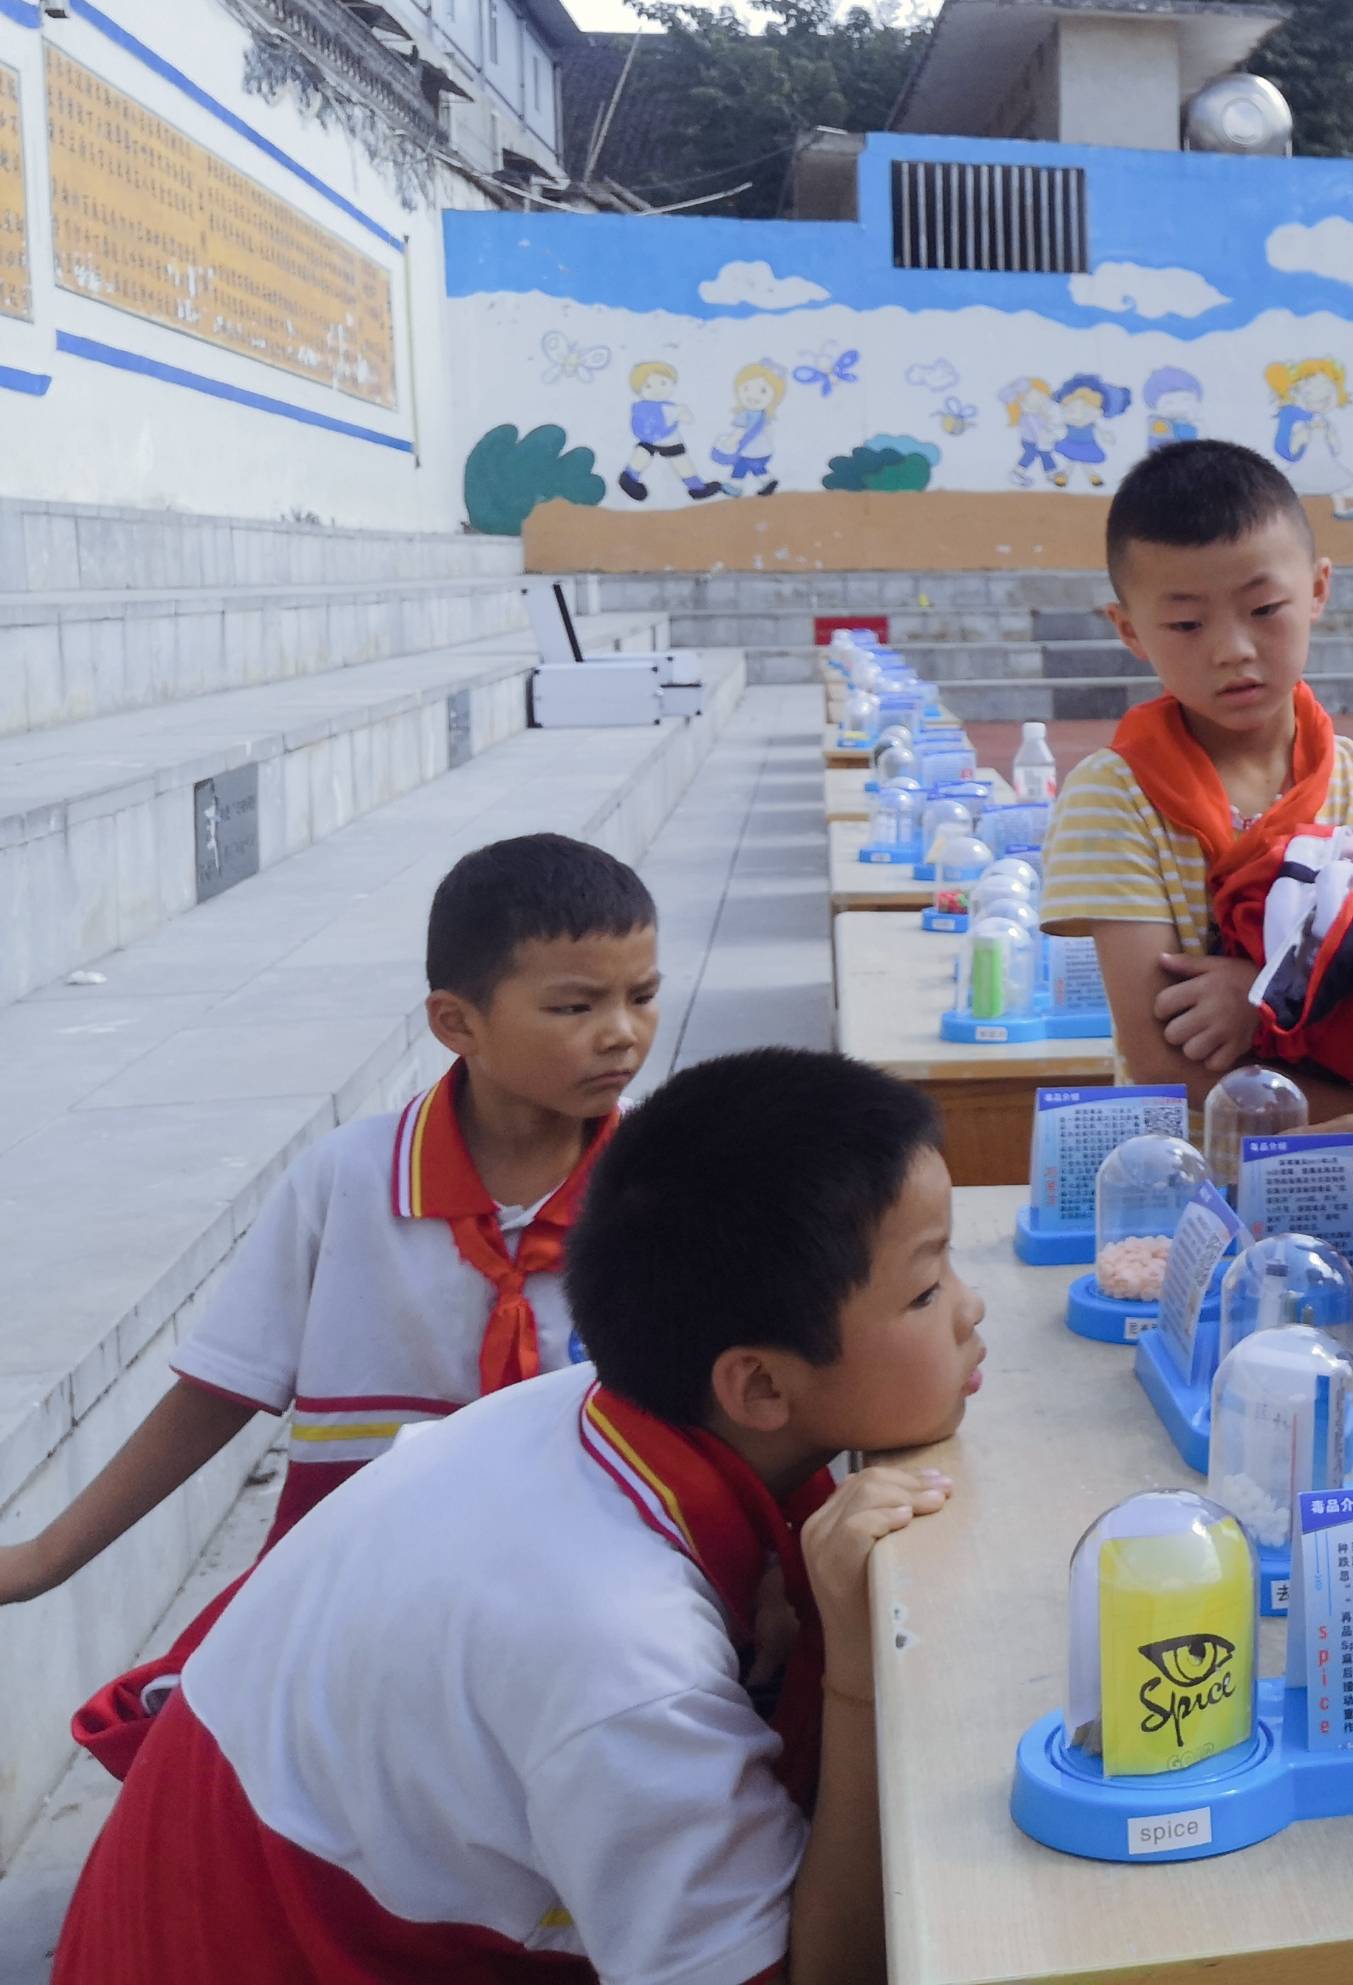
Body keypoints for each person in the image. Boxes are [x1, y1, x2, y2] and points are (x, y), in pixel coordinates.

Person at [56, 1048, 980, 1985]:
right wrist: (856, 1677)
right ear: (760, 1384)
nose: (970, 1309)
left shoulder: (592, 1405)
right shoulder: (622, 1653)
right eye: (924, 1288)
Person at [2, 834, 660, 1778]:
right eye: (575, 1004)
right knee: (216, 1759)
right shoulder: (347, 1182)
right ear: (456, 1023)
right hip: (362, 1583)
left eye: (641, 995)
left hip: (598, 1590)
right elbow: (223, 1389)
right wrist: (47, 1556)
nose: (621, 1032)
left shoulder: (667, 1188)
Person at [1040, 440, 1353, 1104]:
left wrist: (1264, 989)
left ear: (1316, 589)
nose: (1232, 649)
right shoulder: (1115, 796)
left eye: (1262, 610)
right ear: (1130, 629)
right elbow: (1164, 1062)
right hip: (1191, 1182)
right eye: (1185, 623)